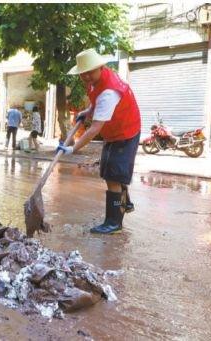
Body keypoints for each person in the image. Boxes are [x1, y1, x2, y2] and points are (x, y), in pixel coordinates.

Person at [57, 48, 141, 234]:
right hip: (115, 130)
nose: (86, 76)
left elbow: (95, 128)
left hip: (125, 132)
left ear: (100, 67)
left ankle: (114, 223)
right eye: (82, 73)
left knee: (113, 176)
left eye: (89, 71)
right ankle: (124, 204)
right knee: (112, 171)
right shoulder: (98, 80)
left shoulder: (109, 92)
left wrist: (73, 149)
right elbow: (96, 101)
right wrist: (88, 111)